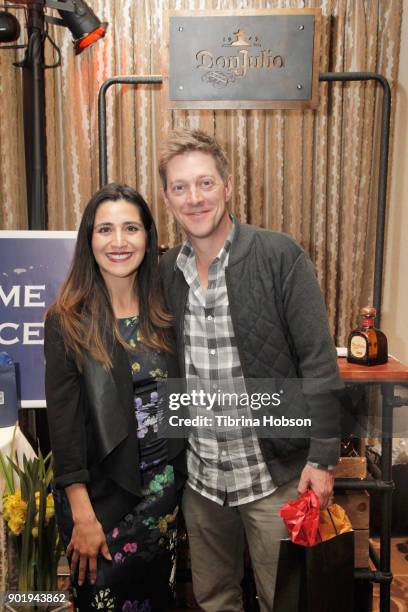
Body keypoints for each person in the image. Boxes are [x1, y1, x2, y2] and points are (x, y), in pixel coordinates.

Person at [158, 129, 343, 611]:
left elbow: (319, 362)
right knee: (214, 600)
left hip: (273, 476)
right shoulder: (164, 274)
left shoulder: (279, 255)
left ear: (228, 185)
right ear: (167, 196)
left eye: (205, 183)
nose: (194, 198)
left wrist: (322, 458)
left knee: (283, 600)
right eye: (180, 187)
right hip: (201, 482)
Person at [44, 183, 185, 611]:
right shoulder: (67, 321)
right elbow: (64, 431)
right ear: (89, 240)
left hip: (163, 503)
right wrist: (83, 516)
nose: (119, 242)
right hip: (101, 505)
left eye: (131, 228)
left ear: (149, 237)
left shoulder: (165, 313)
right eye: (105, 229)